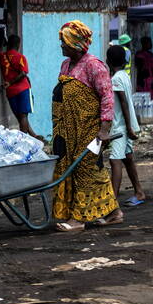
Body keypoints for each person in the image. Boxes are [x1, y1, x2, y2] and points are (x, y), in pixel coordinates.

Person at [51, 20, 122, 232]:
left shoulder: (94, 65)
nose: (61, 46)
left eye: (64, 42)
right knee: (90, 172)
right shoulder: (66, 65)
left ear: (75, 44)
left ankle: (79, 219)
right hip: (67, 132)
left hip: (88, 131)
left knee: (85, 170)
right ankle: (114, 213)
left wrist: (104, 130)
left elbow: (107, 98)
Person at [107, 45, 147, 206]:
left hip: (121, 126)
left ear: (108, 61)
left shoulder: (116, 79)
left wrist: (128, 127)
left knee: (114, 161)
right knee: (128, 158)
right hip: (126, 124)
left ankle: (112, 204)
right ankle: (139, 191)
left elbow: (123, 102)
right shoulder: (124, 75)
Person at [0, 35, 41, 140]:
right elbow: (23, 73)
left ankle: (33, 136)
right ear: (19, 44)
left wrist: (1, 44)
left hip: (10, 92)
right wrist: (12, 82)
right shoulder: (21, 57)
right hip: (23, 89)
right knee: (23, 116)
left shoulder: (2, 56)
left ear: (7, 44)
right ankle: (23, 141)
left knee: (20, 117)